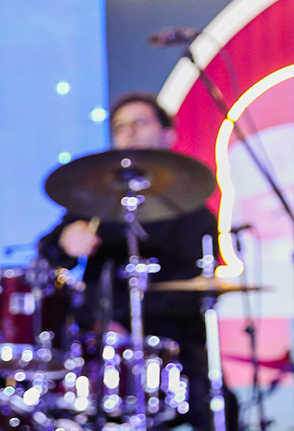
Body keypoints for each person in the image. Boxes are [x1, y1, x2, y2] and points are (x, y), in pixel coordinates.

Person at [39, 91, 237, 431]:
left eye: (139, 123)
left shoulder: (194, 216)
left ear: (168, 134)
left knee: (218, 404)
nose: (128, 132)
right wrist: (65, 241)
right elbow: (47, 253)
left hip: (171, 349)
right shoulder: (96, 207)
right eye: (119, 127)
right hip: (100, 346)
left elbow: (197, 290)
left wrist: (130, 324)